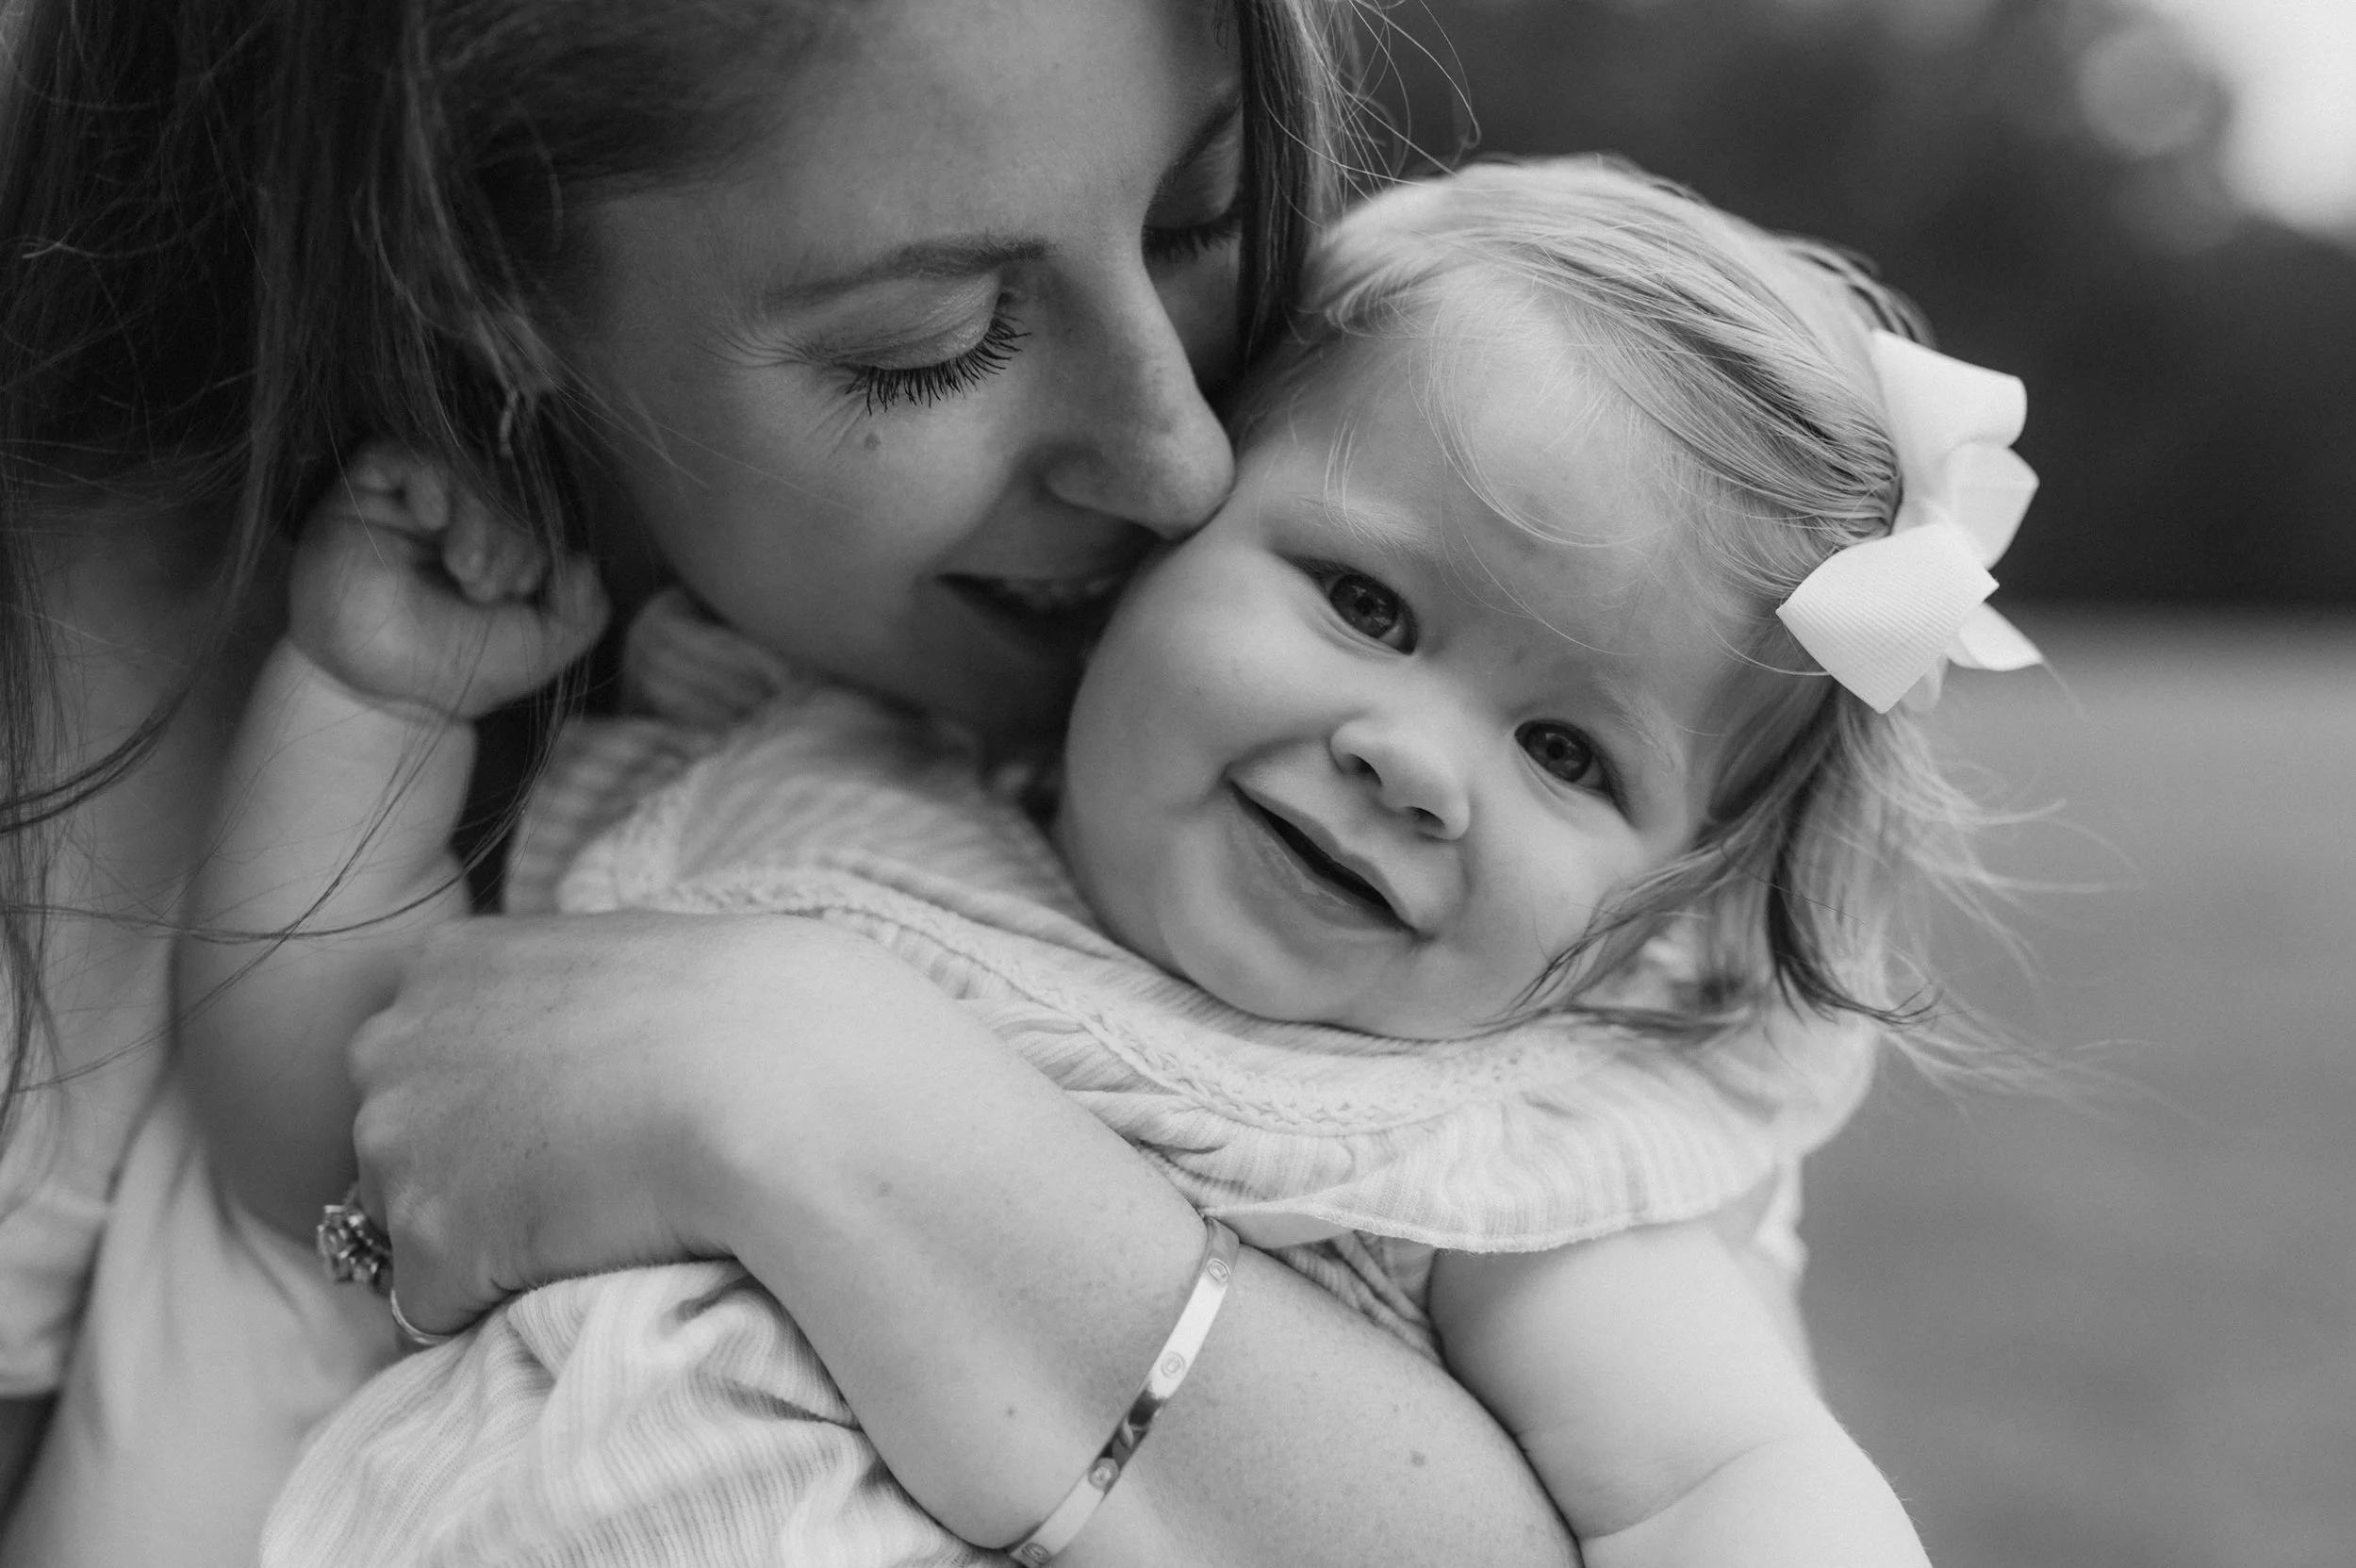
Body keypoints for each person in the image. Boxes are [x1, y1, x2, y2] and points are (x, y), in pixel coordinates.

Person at [0, 2, 1626, 1564]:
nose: (1179, 454)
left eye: (1204, 214)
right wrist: (370, 709)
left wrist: (809, 1085)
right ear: (474, 280)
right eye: (934, 345)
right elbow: (336, 1151)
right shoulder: (673, 746)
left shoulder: (1461, 786)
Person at [228, 158, 2031, 1564]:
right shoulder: (791, 786)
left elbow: (1733, 1484)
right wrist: (370, 707)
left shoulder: (1485, 1158)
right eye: (1367, 602)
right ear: (1150, 543)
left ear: (1656, 908)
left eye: (1568, 752)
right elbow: (333, 1138)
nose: (1413, 764)